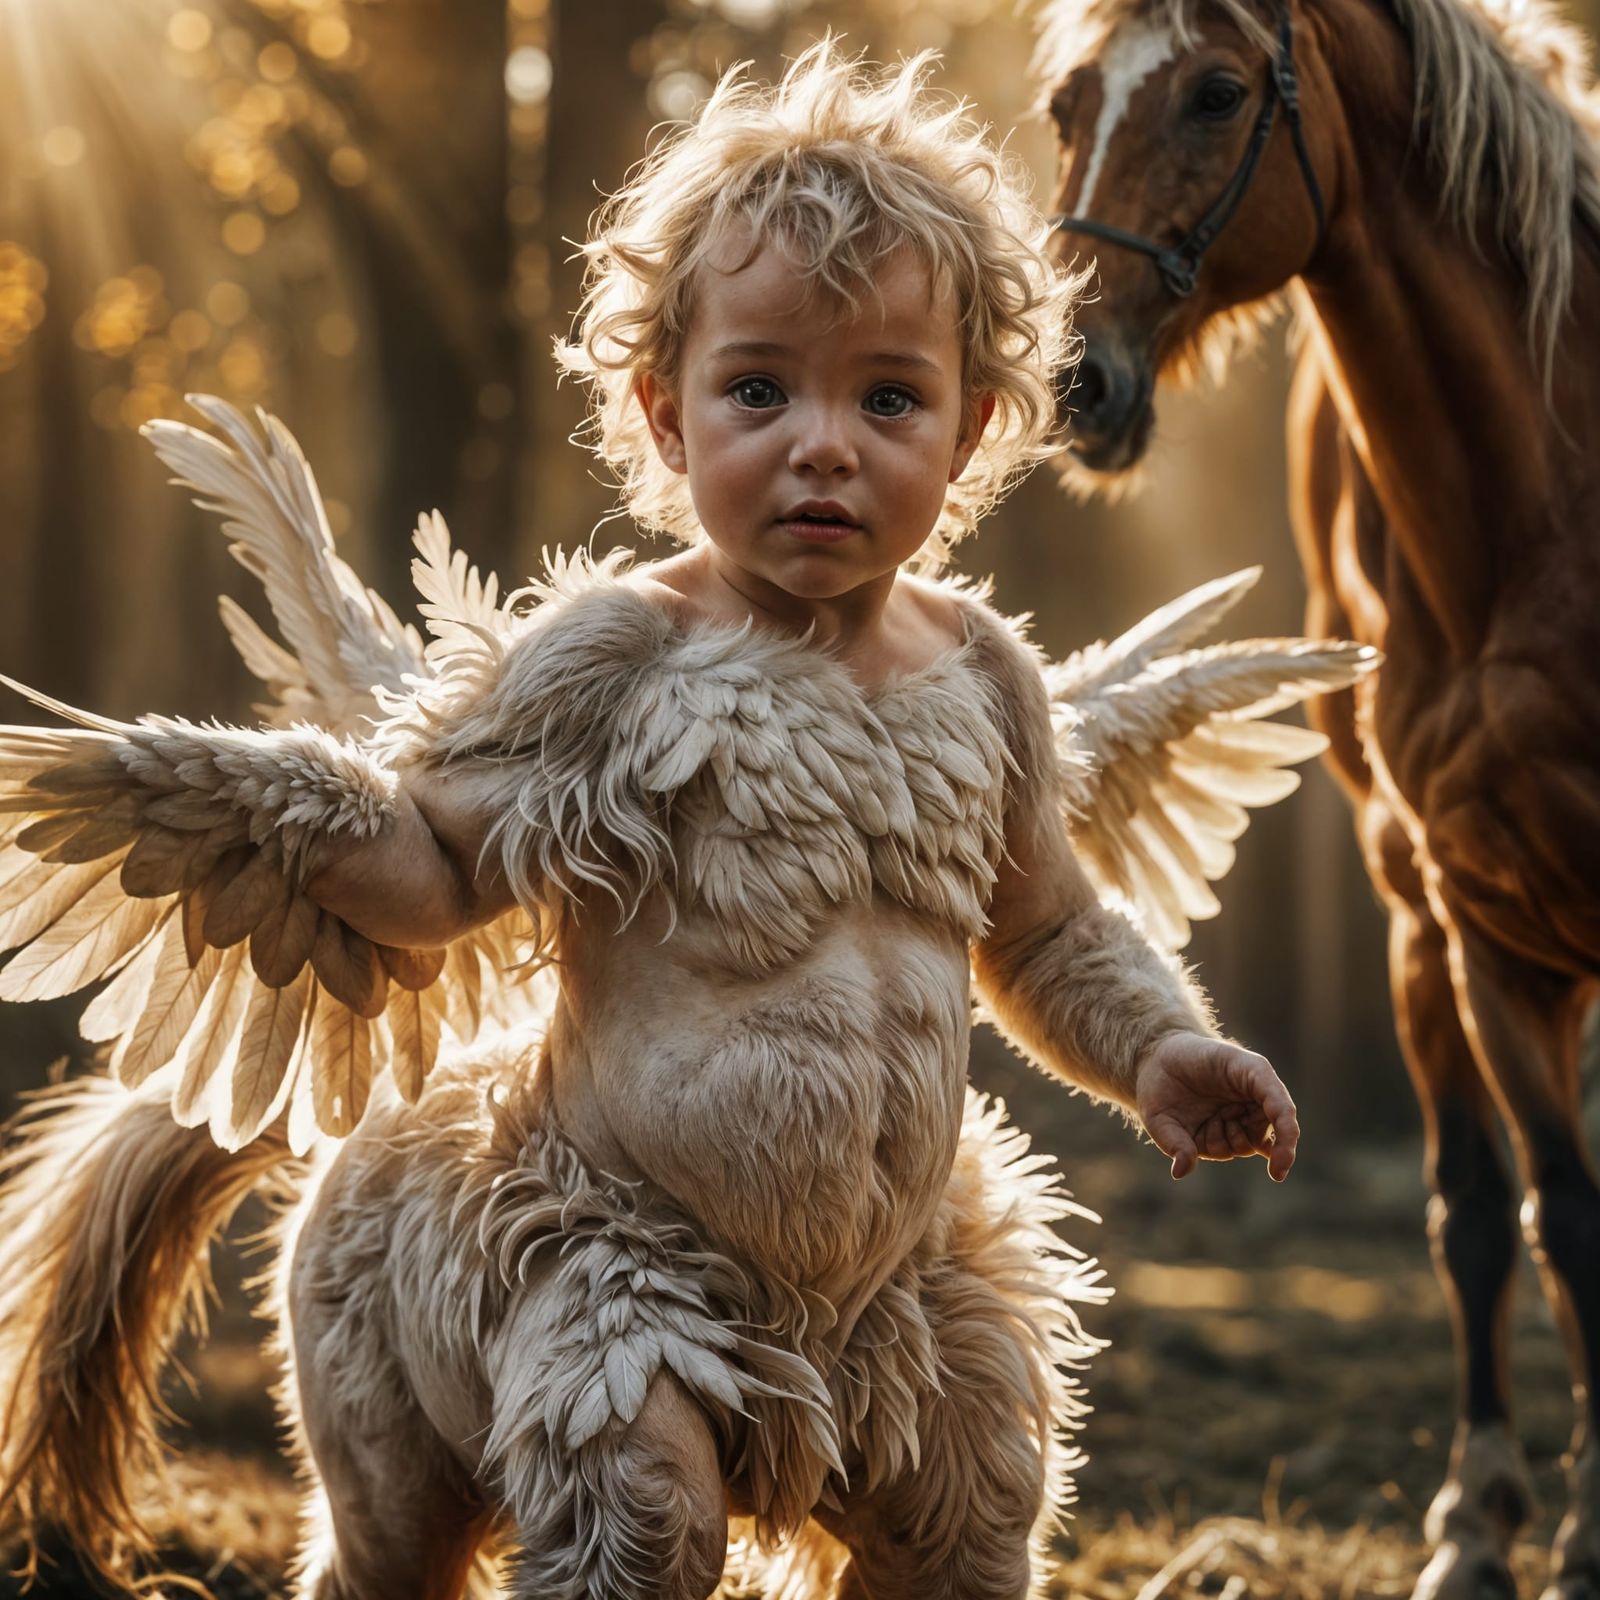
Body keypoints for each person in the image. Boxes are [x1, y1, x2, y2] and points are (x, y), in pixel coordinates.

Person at [0, 42, 1329, 1600]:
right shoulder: (615, 657)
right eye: (759, 389)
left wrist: (1162, 1050)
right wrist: (296, 814)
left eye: (886, 396)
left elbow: (1047, 930)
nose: (821, 441)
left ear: (969, 431)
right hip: (607, 1237)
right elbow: (437, 876)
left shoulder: (988, 680)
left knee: (977, 1529)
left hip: (895, 1275)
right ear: (664, 410)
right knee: (632, 1521)